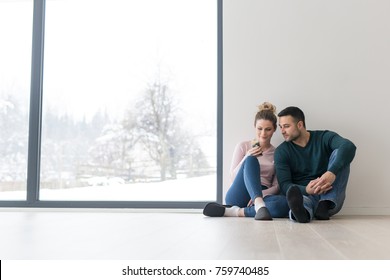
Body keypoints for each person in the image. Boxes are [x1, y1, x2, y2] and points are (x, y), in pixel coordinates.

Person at [203, 102, 289, 220]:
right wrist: (246, 157)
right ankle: (258, 206)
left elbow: (276, 186)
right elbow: (233, 177)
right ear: (254, 126)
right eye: (259, 128)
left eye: (268, 129)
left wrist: (259, 195)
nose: (263, 133)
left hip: (264, 193)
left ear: (274, 129)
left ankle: (235, 211)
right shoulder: (243, 146)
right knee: (251, 160)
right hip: (240, 191)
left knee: (284, 204)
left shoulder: (277, 153)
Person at [274, 106, 357, 223]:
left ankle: (324, 204)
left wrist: (331, 172)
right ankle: (302, 213)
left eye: (286, 126)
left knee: (341, 153)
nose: (282, 131)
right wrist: (307, 189)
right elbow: (284, 185)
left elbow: (349, 146)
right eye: (280, 127)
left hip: (331, 193)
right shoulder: (281, 151)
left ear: (300, 125)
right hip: (306, 195)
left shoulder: (323, 137)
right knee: (302, 201)